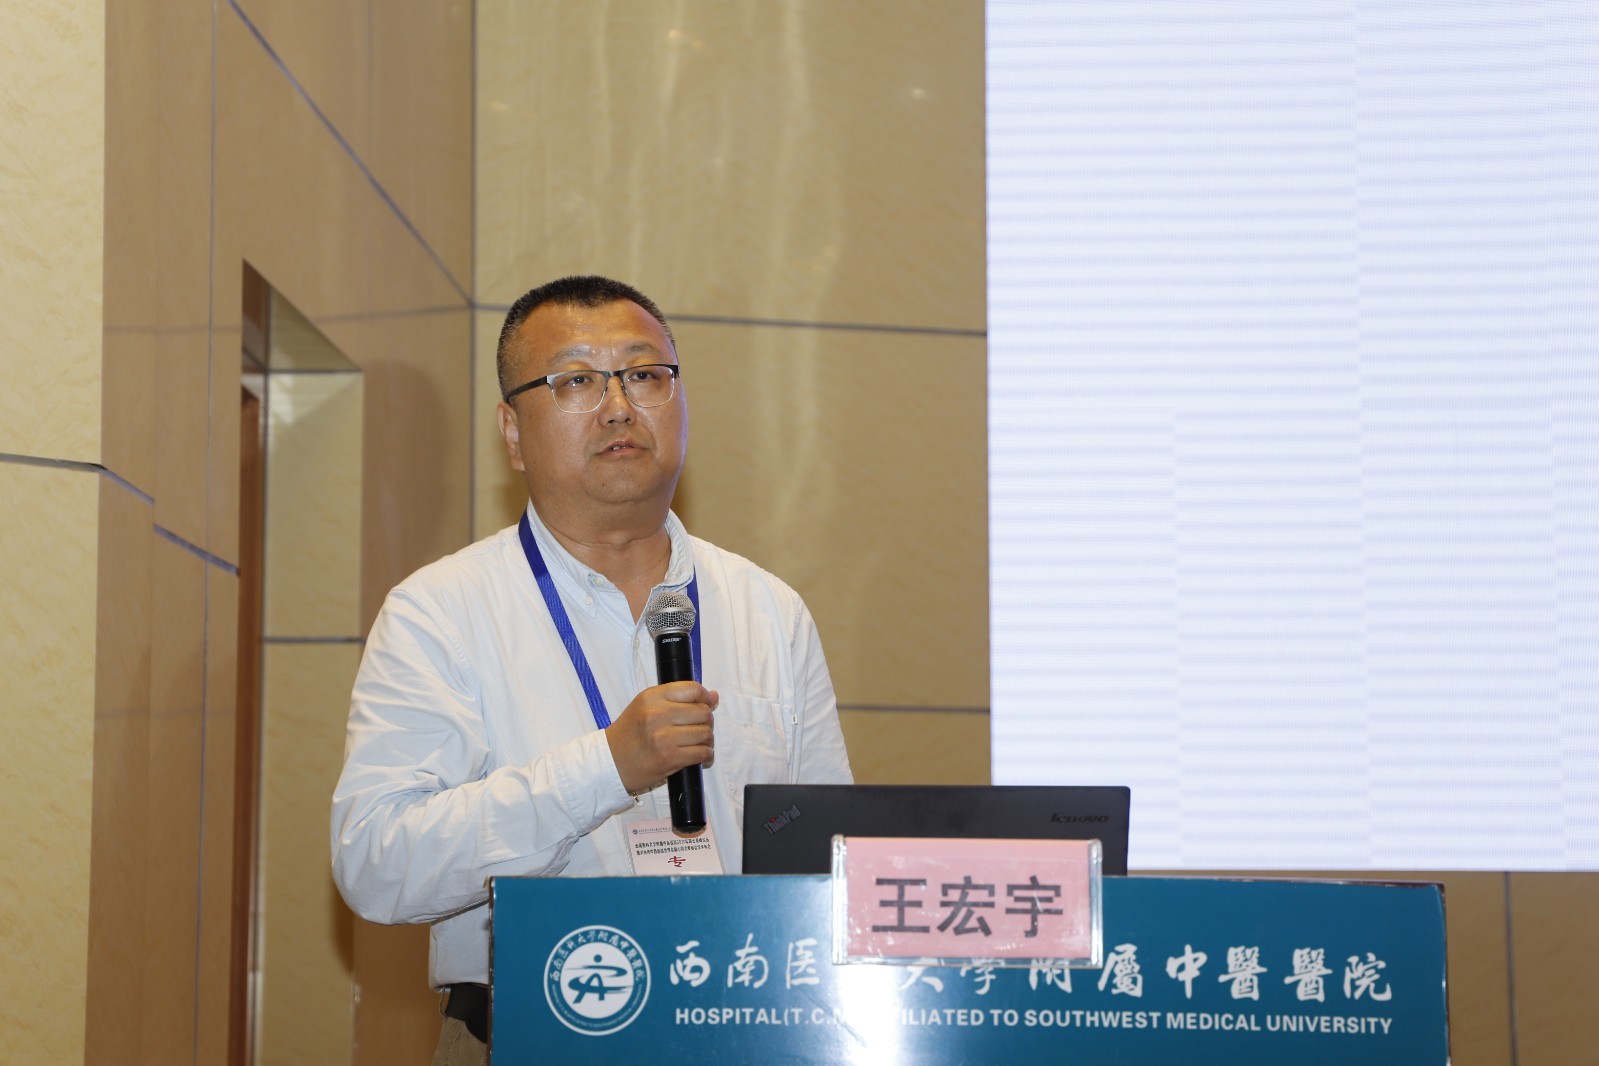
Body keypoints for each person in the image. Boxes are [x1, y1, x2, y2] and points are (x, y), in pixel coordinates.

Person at [330, 275, 853, 1064]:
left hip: (748, 1028)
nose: (618, 406)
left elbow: (828, 857)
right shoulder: (439, 612)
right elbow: (378, 863)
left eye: (644, 375)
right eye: (575, 381)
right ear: (512, 432)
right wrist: (604, 769)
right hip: (525, 1033)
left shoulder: (767, 609)